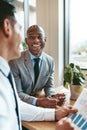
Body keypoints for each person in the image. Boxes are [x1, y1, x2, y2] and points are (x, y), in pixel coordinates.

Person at [0, 1, 78, 130]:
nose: (35, 41)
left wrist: (54, 114)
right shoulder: (11, 66)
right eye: (20, 28)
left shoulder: (4, 70)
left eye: (39, 37)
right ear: (7, 27)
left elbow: (17, 105)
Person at [9, 24, 66, 108]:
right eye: (31, 37)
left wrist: (53, 97)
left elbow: (48, 86)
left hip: (38, 101)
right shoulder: (15, 61)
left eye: (39, 37)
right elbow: (18, 93)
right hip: (19, 105)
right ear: (26, 40)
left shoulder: (50, 61)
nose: (36, 41)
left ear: (45, 40)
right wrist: (38, 102)